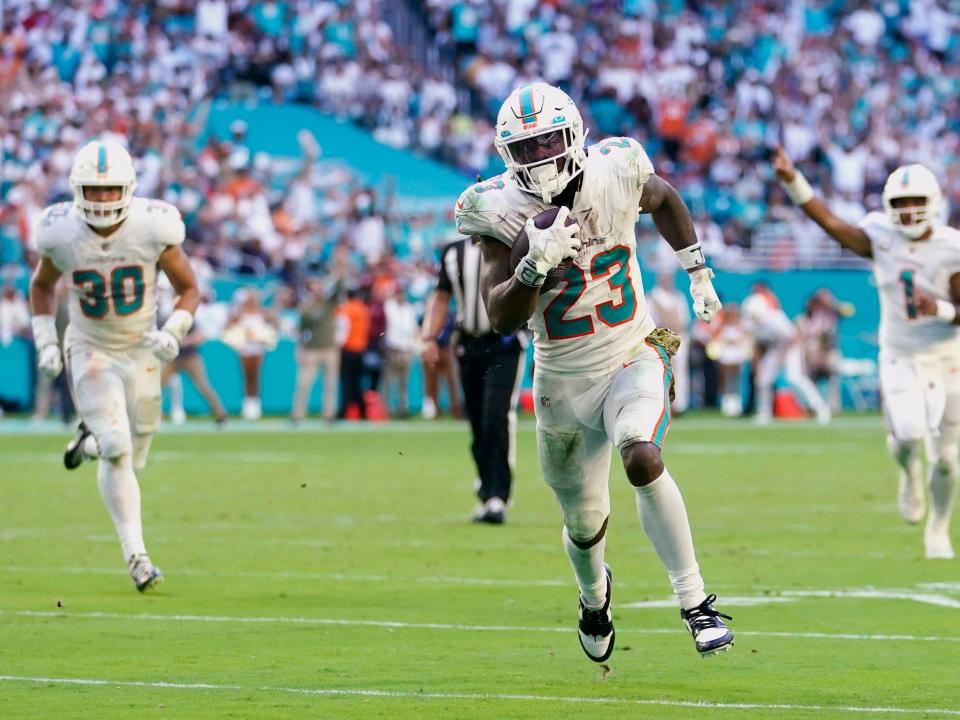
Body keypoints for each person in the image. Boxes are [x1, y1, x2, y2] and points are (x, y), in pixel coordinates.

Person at [460, 82, 734, 660]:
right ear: (508, 154)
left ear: (574, 134)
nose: (540, 158)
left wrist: (698, 270)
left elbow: (664, 198)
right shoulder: (494, 208)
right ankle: (594, 597)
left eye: (549, 142)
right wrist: (533, 265)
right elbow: (501, 315)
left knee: (641, 454)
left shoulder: (617, 167)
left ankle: (696, 602)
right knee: (585, 526)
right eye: (527, 148)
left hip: (631, 350)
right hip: (560, 379)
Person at [28, 138, 200, 591]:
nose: (102, 199)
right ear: (76, 189)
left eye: (110, 189)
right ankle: (138, 558)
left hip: (141, 347)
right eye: (93, 189)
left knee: (133, 453)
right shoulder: (60, 231)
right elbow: (42, 287)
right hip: (89, 346)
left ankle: (87, 444)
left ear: (127, 188)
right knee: (119, 448)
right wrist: (46, 340)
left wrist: (174, 331)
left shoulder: (152, 226)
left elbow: (190, 289)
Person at [774, 147, 959, 559]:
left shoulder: (952, 247)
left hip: (947, 356)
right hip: (900, 353)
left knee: (947, 458)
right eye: (900, 203)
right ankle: (909, 472)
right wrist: (793, 180)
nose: (909, 211)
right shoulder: (881, 235)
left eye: (917, 202)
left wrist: (942, 308)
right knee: (909, 434)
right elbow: (829, 221)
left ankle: (939, 530)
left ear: (934, 205)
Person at [421, 237, 524, 524]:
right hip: (469, 344)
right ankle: (486, 489)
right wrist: (429, 336)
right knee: (478, 421)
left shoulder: (510, 243)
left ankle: (497, 496)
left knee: (496, 415)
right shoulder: (454, 253)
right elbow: (441, 296)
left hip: (504, 343)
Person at [741, 281, 832, 426]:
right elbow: (757, 344)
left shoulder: (774, 318)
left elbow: (791, 338)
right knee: (763, 379)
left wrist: (781, 356)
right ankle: (764, 413)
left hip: (790, 348)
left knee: (795, 378)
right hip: (774, 349)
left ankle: (821, 409)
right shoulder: (751, 323)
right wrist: (757, 362)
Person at [291, 275, 343, 423]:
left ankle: (329, 414)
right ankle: (298, 414)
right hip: (312, 350)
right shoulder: (307, 305)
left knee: (330, 383)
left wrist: (338, 270)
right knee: (304, 383)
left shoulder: (329, 303)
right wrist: (300, 348)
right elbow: (303, 326)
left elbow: (339, 287)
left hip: (329, 349)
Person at [222, 288, 277, 420]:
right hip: (245, 348)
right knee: (247, 376)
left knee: (256, 376)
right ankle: (247, 406)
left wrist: (263, 335)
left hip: (258, 347)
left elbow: (274, 324)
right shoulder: (239, 313)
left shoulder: (262, 313)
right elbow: (227, 327)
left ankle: (256, 405)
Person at [647, 271, 691, 413]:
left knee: (681, 372)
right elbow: (651, 322)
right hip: (662, 338)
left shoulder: (678, 296)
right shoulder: (652, 297)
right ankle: (664, 404)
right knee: (663, 372)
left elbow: (685, 319)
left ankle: (680, 405)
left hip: (679, 337)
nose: (667, 280)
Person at [382, 284, 418, 418]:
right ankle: (385, 409)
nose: (399, 295)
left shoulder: (409, 308)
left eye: (401, 292)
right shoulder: (388, 306)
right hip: (392, 348)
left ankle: (402, 409)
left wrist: (413, 346)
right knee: (388, 381)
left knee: (404, 381)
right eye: (397, 292)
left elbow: (413, 329)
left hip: (406, 348)